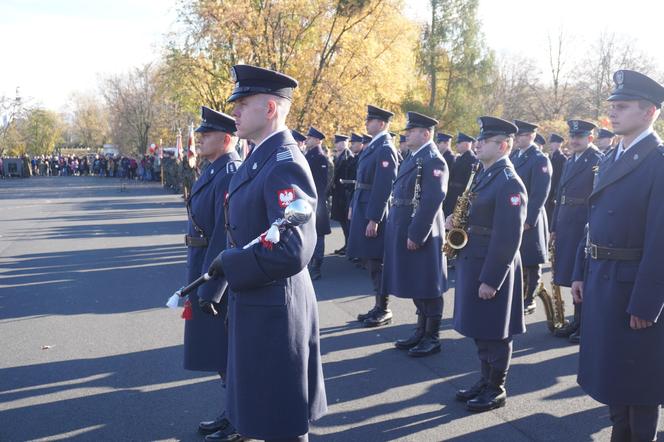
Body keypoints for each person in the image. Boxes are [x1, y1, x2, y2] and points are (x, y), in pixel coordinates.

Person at [206, 64, 327, 442]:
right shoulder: (261, 157)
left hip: (277, 307)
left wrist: (231, 264)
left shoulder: (284, 163)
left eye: (243, 103)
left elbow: (292, 249)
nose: (235, 111)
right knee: (264, 407)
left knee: (282, 418)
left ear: (270, 109)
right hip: (259, 299)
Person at [571, 70, 664, 442]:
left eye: (622, 107)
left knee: (639, 381)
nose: (613, 113)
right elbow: (591, 220)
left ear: (649, 112)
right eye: (612, 106)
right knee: (611, 374)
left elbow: (661, 240)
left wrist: (648, 302)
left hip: (632, 286)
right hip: (602, 277)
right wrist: (580, 270)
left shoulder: (657, 162)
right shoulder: (611, 158)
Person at [451, 116, 526, 412]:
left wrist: (491, 279)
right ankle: (484, 379)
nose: (478, 144)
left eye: (486, 141)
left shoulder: (509, 181)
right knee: (481, 327)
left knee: (496, 330)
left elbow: (509, 237)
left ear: (504, 145)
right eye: (479, 139)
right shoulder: (484, 174)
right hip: (474, 259)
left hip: (493, 265)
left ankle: (496, 387)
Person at [182, 106, 244, 442]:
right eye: (200, 133)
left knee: (227, 351)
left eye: (206, 134)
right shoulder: (215, 168)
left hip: (215, 275)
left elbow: (224, 234)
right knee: (219, 352)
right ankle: (231, 411)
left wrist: (211, 288)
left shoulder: (230, 170)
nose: (200, 138)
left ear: (225, 138)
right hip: (202, 263)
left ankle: (239, 419)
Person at [383, 112, 448, 357]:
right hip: (405, 226)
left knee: (428, 284)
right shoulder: (416, 156)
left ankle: (432, 336)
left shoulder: (433, 160)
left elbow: (431, 200)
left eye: (411, 131)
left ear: (426, 134)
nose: (406, 134)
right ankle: (421, 331)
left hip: (422, 230)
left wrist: (417, 233)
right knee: (416, 282)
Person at [549, 120, 602, 345]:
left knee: (583, 274)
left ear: (590, 138)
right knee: (573, 274)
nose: (574, 140)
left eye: (579, 136)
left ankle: (585, 324)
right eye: (572, 136)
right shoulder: (572, 160)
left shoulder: (597, 160)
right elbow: (559, 196)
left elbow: (598, 199)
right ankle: (576, 320)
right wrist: (554, 227)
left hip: (583, 224)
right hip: (566, 223)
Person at [347, 105, 399, 327]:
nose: (367, 123)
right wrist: (353, 204)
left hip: (372, 209)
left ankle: (384, 308)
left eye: (371, 120)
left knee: (377, 261)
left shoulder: (385, 148)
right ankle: (378, 305)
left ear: (382, 124)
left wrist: (374, 218)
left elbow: (383, 186)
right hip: (363, 204)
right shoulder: (375, 145)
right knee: (369, 260)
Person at [509, 120, 552, 315]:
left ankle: (529, 298)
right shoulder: (516, 155)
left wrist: (529, 219)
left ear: (532, 136)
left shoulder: (539, 159)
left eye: (521, 135)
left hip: (530, 216)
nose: (517, 138)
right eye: (516, 135)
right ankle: (518, 295)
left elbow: (540, 193)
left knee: (531, 259)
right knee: (518, 256)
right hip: (516, 214)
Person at [304, 126, 333, 280]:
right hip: (308, 201)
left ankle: (316, 266)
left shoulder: (320, 157)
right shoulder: (309, 155)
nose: (306, 140)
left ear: (316, 140)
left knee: (318, 234)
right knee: (310, 232)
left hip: (316, 202)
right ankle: (310, 262)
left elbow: (321, 184)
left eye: (309, 138)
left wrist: (313, 201)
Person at [444, 132, 478, 219]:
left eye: (459, 143)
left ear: (466, 144)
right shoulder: (459, 158)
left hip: (460, 196)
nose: (457, 145)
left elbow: (470, 182)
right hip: (451, 194)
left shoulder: (473, 159)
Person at [330, 134, 354, 255]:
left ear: (345, 143)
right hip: (338, 193)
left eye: (340, 142)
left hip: (345, 194)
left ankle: (349, 246)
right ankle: (347, 245)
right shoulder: (337, 156)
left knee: (346, 222)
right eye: (336, 142)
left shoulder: (348, 156)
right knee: (342, 222)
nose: (337, 144)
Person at [546, 133, 568, 226]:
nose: (552, 144)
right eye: (551, 142)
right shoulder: (550, 157)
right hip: (549, 189)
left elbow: (561, 177)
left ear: (560, 144)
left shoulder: (562, 158)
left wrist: (556, 193)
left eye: (554, 142)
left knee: (551, 216)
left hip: (555, 191)